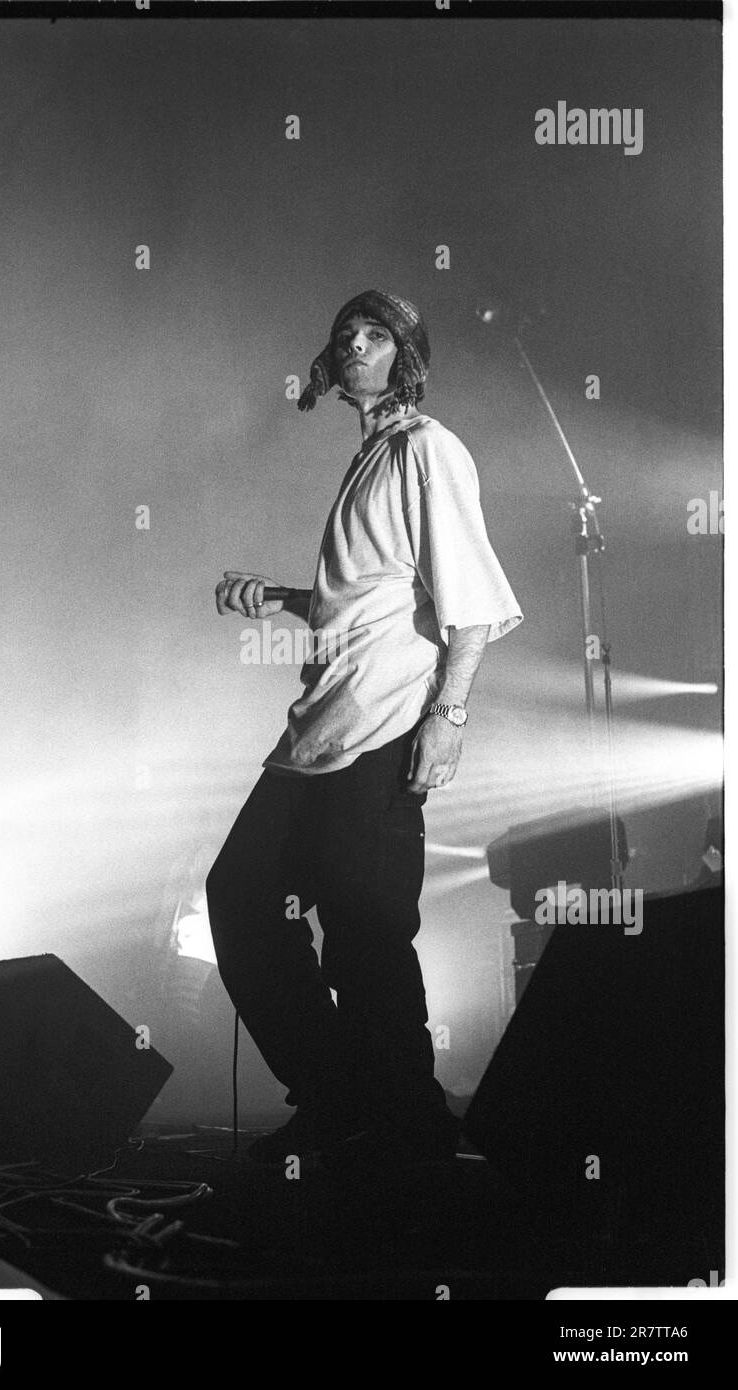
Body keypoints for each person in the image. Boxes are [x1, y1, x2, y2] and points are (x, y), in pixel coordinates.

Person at [208, 289, 523, 1168]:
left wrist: (449, 716)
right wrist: (277, 596)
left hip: (382, 731)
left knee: (366, 937)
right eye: (345, 332)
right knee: (240, 899)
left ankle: (411, 1131)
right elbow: (373, 600)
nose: (354, 343)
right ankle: (341, 1095)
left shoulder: (428, 449)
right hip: (318, 732)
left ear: (405, 358)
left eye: (375, 335)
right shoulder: (371, 456)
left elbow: (469, 608)